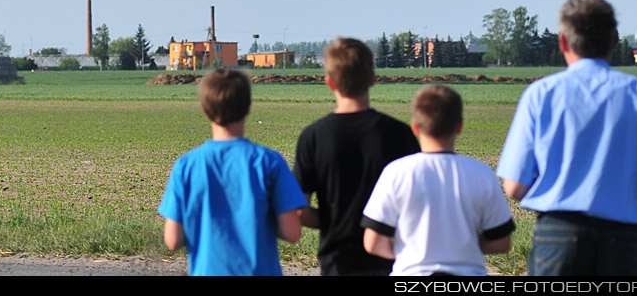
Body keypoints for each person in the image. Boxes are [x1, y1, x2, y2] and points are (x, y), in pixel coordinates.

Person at [497, 0, 637, 276]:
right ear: (614, 42)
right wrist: (623, 189)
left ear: (563, 41)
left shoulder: (541, 94)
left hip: (558, 234)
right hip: (623, 237)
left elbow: (513, 187)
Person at [158, 68, 306, 276]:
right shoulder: (269, 162)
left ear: (206, 112)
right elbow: (292, 232)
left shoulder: (187, 166)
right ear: (248, 109)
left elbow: (172, 240)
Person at [293, 37, 420, 275]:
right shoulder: (400, 134)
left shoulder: (313, 137)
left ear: (330, 82)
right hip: (392, 261)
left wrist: (333, 220)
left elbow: (299, 209)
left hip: (337, 262)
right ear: (373, 79)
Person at [362, 85, 514, 276]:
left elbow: (372, 242)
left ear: (415, 127)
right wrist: (464, 250)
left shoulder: (396, 173)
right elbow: (502, 241)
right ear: (459, 126)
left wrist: (409, 254)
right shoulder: (482, 173)